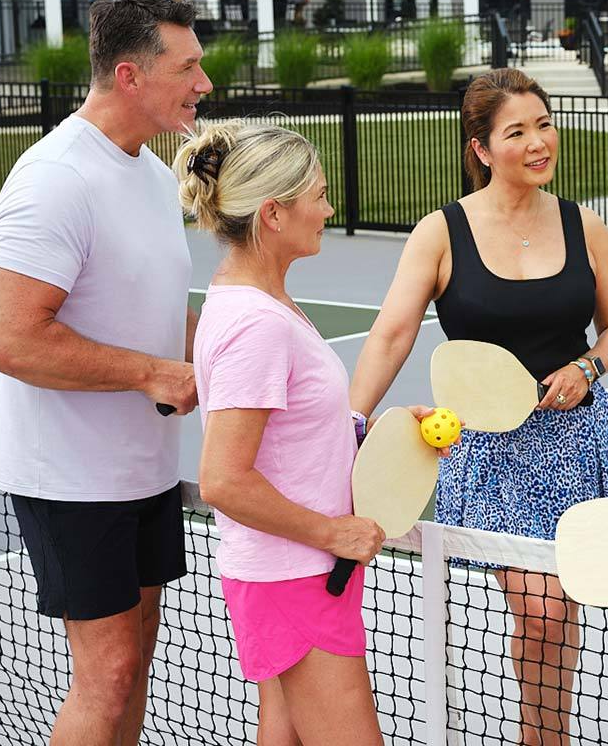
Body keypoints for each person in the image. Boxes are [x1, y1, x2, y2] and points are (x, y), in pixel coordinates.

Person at [350, 68, 608, 746]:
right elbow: (391, 334)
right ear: (481, 148)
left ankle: (545, 735)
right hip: (489, 452)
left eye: (544, 124)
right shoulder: (441, 231)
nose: (539, 142)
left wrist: (587, 365)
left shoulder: (583, 224)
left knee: (561, 612)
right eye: (517, 131)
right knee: (540, 611)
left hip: (576, 440)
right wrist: (350, 425)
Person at [0, 0, 211, 745]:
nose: (204, 85)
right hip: (70, 477)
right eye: (189, 68)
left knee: (135, 664)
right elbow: (8, 339)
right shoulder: (54, 179)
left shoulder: (149, 174)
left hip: (144, 470)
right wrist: (152, 373)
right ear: (130, 76)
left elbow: (155, 303)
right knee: (105, 677)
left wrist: (230, 351)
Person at [181, 122, 409, 746]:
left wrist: (382, 436)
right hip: (296, 576)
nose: (330, 210)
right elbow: (223, 480)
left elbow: (296, 437)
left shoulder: (254, 301)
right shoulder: (257, 323)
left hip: (289, 572)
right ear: (275, 213)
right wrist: (332, 532)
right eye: (320, 196)